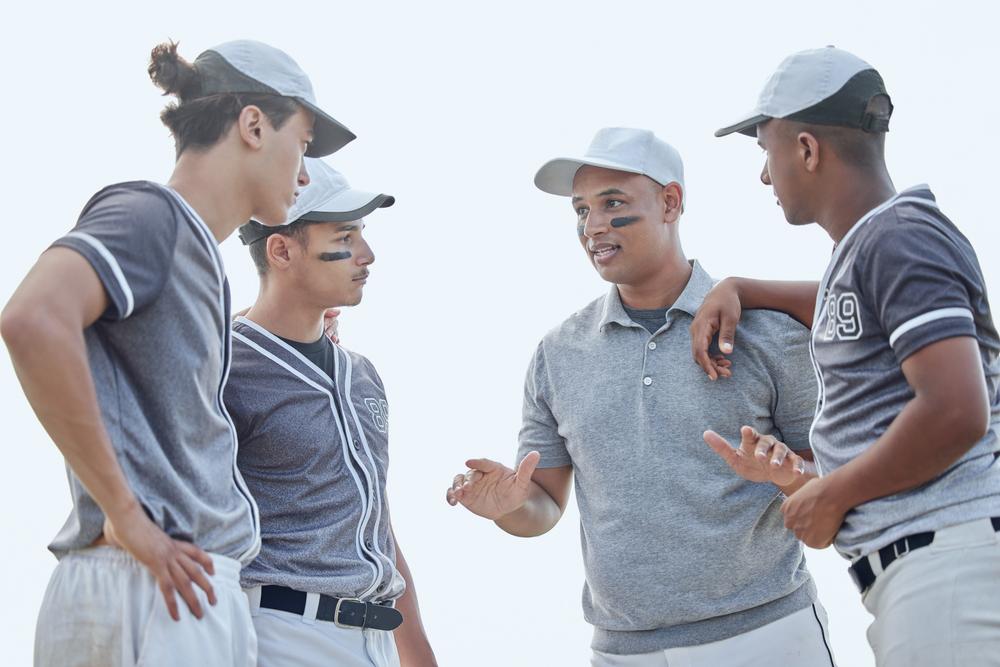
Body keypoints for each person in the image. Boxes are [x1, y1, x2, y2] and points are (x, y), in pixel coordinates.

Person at [1, 40, 352, 667]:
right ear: (252, 126)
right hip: (154, 585)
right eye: (300, 144)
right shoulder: (153, 214)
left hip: (172, 586)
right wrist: (126, 515)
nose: (304, 174)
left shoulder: (192, 253)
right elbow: (32, 319)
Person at [447, 127, 836, 666]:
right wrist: (509, 507)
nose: (593, 226)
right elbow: (544, 507)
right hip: (622, 653)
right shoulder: (558, 353)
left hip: (767, 636)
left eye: (613, 203)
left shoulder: (767, 333)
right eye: (581, 210)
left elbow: (836, 488)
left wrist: (787, 474)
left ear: (671, 202)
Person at [694, 46, 1000, 665]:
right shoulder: (872, 250)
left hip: (949, 567)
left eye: (766, 154)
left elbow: (956, 409)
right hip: (929, 571)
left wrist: (832, 493)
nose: (764, 177)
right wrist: (743, 287)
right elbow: (845, 306)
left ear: (806, 150)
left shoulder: (900, 239)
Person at [227, 158, 437, 667]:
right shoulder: (224, 367)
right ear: (280, 249)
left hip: (376, 641)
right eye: (346, 235)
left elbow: (374, 525)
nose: (366, 255)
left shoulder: (362, 373)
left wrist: (419, 656)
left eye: (362, 233)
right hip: (277, 636)